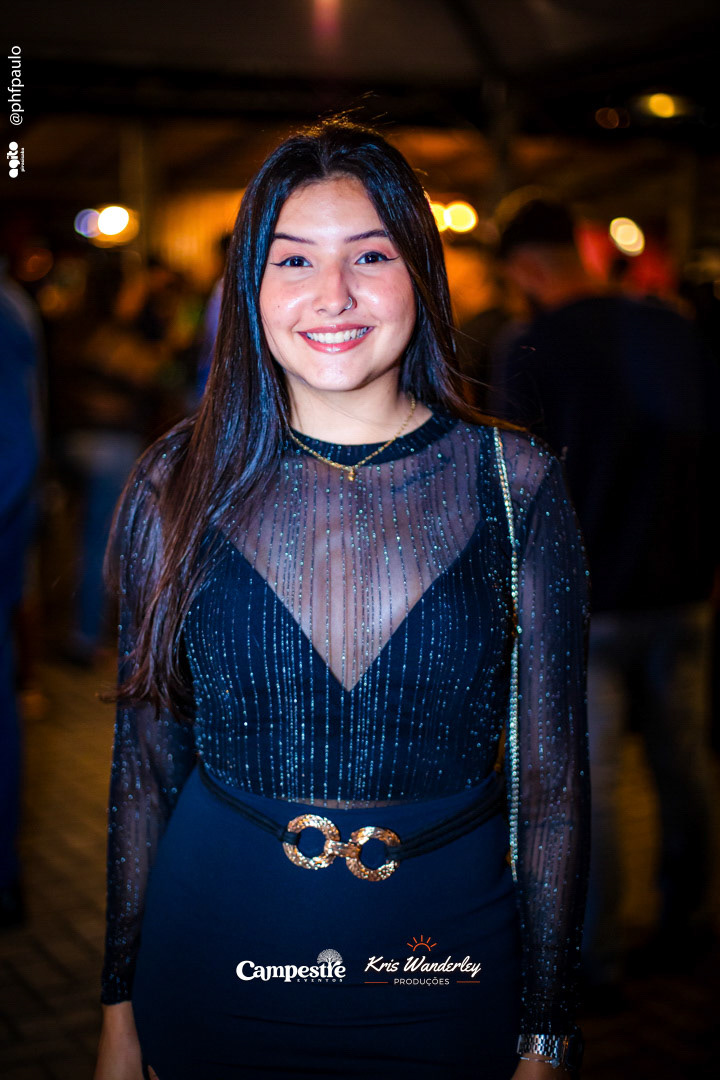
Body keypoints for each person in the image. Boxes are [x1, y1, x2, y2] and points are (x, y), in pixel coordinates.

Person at [94, 120, 590, 1080]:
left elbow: (555, 793)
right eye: (293, 260)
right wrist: (118, 1005)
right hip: (213, 953)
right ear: (250, 286)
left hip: (442, 968)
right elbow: (144, 767)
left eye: (370, 254)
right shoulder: (178, 478)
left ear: (422, 275)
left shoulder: (513, 481)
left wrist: (546, 1035)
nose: (333, 295)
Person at [489, 197, 719, 1006]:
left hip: (583, 598)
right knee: (682, 760)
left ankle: (599, 958)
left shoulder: (530, 346)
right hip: (682, 589)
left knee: (590, 783)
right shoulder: (672, 327)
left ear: (525, 269)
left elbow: (515, 483)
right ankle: (689, 921)